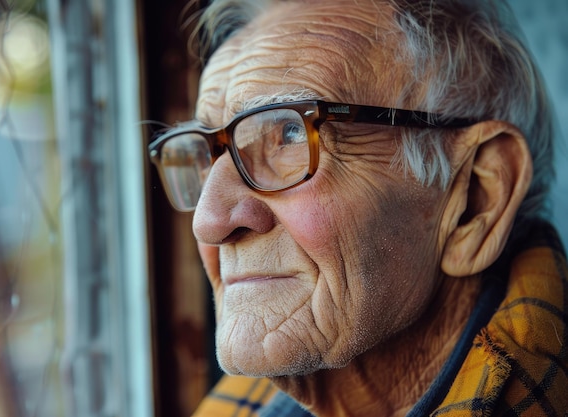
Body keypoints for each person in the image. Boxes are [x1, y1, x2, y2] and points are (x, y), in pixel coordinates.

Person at [148, 0, 568, 415]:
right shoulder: (239, 403)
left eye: (290, 133)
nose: (208, 221)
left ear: (476, 199)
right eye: (207, 156)